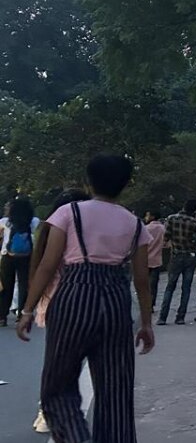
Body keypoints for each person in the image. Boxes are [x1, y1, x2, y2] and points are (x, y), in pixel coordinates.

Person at [17, 154, 155, 443]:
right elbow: (142, 281)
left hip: (75, 295)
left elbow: (48, 264)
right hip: (116, 299)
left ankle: (75, 437)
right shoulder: (135, 223)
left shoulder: (69, 213)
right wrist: (146, 323)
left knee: (58, 386)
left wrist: (28, 310)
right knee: (116, 392)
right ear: (125, 185)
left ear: (88, 181)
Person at [29, 189, 92, 437]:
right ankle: (50, 411)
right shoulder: (84, 234)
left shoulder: (48, 231)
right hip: (81, 302)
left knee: (57, 361)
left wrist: (28, 307)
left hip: (56, 302)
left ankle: (49, 411)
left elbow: (42, 270)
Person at [158, 200, 196, 326]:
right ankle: (180, 317)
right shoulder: (194, 222)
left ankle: (163, 317)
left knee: (170, 287)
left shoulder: (172, 219)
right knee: (186, 288)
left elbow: (166, 237)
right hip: (189, 256)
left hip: (176, 255)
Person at [0, 197, 38, 327]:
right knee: (24, 286)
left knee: (6, 286)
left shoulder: (5, 221)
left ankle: (2, 316)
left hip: (7, 257)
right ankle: (21, 315)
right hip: (26, 257)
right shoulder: (34, 221)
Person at [143, 211, 166, 312]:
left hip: (145, 260)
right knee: (154, 285)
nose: (146, 217)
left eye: (147, 215)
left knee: (144, 284)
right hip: (157, 260)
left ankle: (145, 304)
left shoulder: (145, 229)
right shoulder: (162, 228)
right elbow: (167, 244)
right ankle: (151, 305)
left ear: (152, 216)